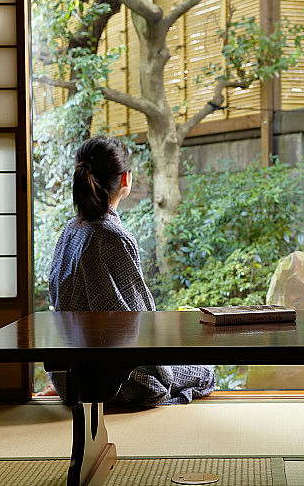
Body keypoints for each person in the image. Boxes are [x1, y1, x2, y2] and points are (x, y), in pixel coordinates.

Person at [38, 136, 215, 406]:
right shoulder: (112, 236)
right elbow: (141, 321)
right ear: (125, 179)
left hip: (68, 378)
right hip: (112, 380)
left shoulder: (71, 230)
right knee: (206, 374)